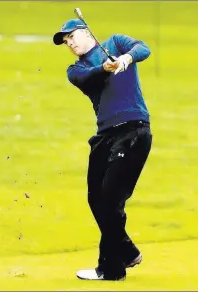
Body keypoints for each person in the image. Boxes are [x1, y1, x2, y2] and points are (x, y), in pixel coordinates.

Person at [53, 19, 153, 281]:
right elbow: (88, 77)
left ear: (87, 32)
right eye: (66, 41)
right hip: (105, 135)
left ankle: (110, 268)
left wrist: (125, 60)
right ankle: (127, 251)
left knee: (111, 198)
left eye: (72, 36)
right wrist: (107, 67)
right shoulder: (76, 69)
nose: (70, 43)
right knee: (95, 197)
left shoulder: (116, 43)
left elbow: (143, 49)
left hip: (133, 130)